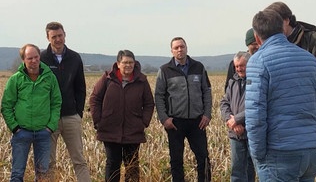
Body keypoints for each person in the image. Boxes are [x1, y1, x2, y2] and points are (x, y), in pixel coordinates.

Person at [245, 9, 316, 181]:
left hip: (279, 153)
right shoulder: (310, 59)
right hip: (310, 150)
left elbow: (255, 115)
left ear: (256, 36)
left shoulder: (258, 61)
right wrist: (311, 138)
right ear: (283, 29)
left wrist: (258, 155)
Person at [265, 1, 316, 139]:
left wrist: (294, 95)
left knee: (307, 156)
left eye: (275, 22)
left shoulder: (314, 40)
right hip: (283, 117)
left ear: (286, 20)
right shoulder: (273, 45)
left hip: (313, 113)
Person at [89, 50, 155, 182]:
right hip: (110, 129)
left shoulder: (141, 80)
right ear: (118, 64)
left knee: (132, 165)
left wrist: (143, 123)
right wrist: (98, 121)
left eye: (131, 62)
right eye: (125, 62)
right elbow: (95, 99)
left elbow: (149, 104)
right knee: (112, 164)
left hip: (133, 131)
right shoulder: (107, 78)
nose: (128, 65)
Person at [154, 37, 212, 182]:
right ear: (172, 51)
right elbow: (159, 96)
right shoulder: (165, 70)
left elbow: (207, 91)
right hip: (175, 122)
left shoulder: (198, 67)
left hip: (197, 121)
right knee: (176, 160)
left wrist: (207, 114)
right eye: (176, 48)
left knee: (203, 158)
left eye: (182, 46)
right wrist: (164, 119)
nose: (180, 50)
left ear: (186, 48)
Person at [1, 44, 61, 181]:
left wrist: (50, 127)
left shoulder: (50, 78)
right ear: (23, 60)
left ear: (39, 57)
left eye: (36, 57)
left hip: (43, 133)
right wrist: (15, 128)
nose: (34, 61)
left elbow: (56, 103)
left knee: (42, 174)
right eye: (30, 58)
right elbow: (6, 105)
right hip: (22, 133)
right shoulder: (16, 79)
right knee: (17, 173)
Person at [40, 22, 91, 182]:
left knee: (79, 160)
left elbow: (80, 88)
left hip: (71, 117)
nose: (57, 39)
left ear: (65, 35)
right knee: (47, 162)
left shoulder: (75, 57)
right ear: (48, 38)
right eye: (53, 36)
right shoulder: (41, 58)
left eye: (60, 35)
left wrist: (78, 113)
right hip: (49, 119)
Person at [220, 51, 255, 182]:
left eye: (242, 65)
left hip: (252, 132)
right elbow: (224, 102)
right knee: (237, 170)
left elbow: (256, 105)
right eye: (237, 66)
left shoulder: (256, 81)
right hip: (235, 133)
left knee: (251, 168)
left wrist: (238, 119)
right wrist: (230, 120)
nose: (239, 69)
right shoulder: (232, 82)